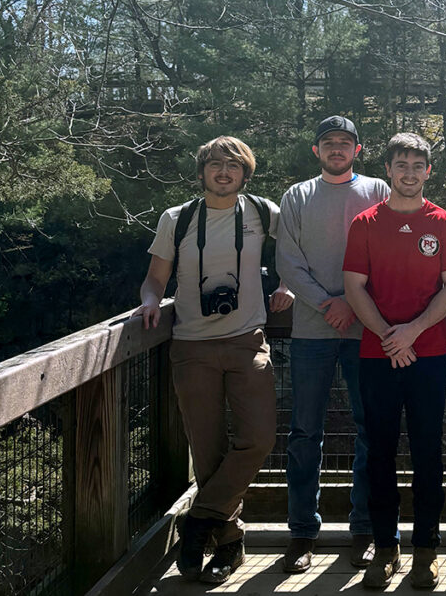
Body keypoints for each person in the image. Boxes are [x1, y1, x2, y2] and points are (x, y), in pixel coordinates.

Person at [134, 136, 294, 584]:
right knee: (207, 451)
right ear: (202, 171)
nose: (224, 172)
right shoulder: (177, 218)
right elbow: (154, 279)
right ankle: (229, 543)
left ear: (246, 173)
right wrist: (150, 301)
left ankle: (199, 520)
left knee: (258, 438)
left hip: (248, 342)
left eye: (233, 165)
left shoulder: (262, 212)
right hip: (192, 346)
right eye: (216, 165)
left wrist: (287, 284)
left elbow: (301, 249)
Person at [343, 132, 446, 589]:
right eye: (401, 164)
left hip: (429, 355)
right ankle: (385, 548)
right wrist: (388, 336)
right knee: (379, 453)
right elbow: (354, 286)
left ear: (428, 171)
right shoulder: (365, 223)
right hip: (376, 355)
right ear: (388, 170)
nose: (409, 173)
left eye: (417, 165)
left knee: (428, 451)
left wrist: (412, 331)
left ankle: (425, 551)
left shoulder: (445, 223)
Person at [276, 116, 389, 573]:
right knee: (305, 432)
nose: (337, 148)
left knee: (371, 430)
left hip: (367, 331)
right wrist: (330, 304)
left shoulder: (379, 190)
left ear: (358, 150)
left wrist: (352, 304)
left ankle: (364, 530)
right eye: (329, 143)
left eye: (345, 142)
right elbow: (288, 262)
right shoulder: (297, 196)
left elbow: (388, 257)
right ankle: (302, 533)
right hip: (311, 331)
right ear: (316, 150)